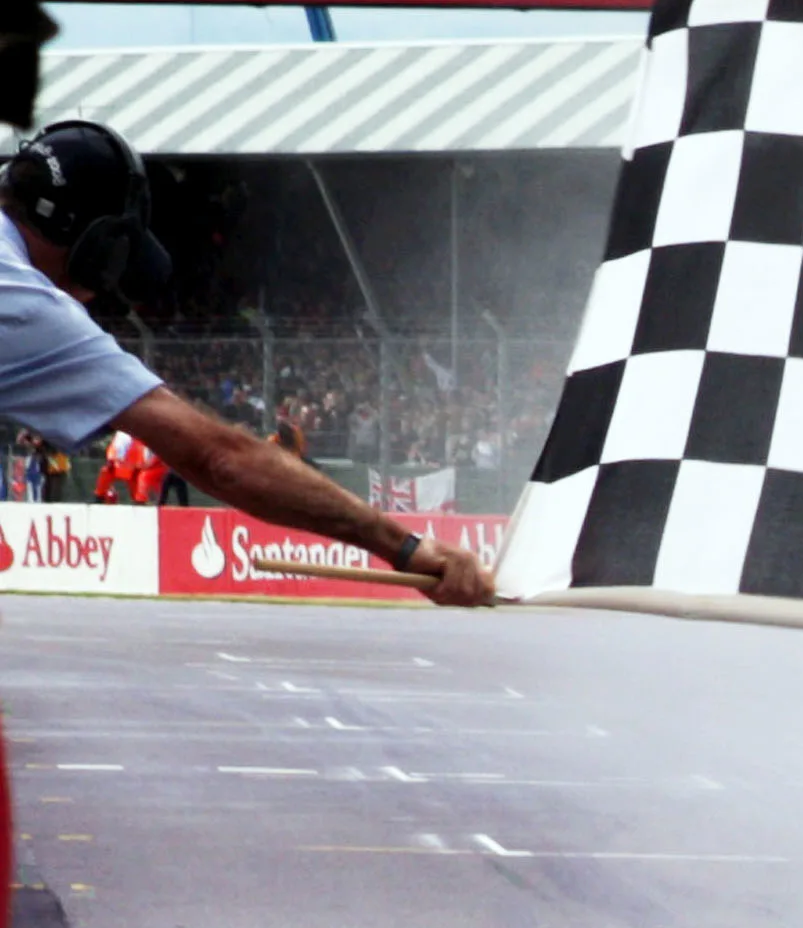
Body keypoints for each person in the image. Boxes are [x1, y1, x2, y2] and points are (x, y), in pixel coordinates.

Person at [0, 122, 490, 603]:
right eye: (111, 255)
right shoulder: (24, 301)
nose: (99, 288)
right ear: (81, 238)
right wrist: (404, 547)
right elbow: (219, 458)